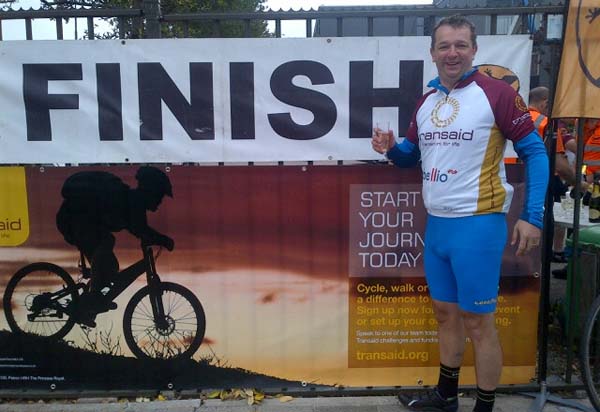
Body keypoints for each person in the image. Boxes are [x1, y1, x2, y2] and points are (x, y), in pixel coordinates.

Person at [371, 15, 548, 412]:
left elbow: (535, 153)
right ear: (432, 53)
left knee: (478, 323)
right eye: (444, 46)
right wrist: (391, 148)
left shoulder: (497, 94)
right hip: (438, 225)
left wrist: (532, 216)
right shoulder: (428, 101)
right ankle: (445, 396)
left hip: (478, 225)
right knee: (444, 314)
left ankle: (484, 406)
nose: (452, 53)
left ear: (474, 50)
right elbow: (411, 156)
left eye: (460, 45)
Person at [56, 166, 175, 325]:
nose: (160, 201)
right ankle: (93, 297)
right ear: (151, 190)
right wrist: (163, 240)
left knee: (110, 268)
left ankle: (85, 309)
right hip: (73, 220)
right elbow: (139, 228)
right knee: (106, 242)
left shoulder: (133, 201)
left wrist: (155, 238)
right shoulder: (133, 201)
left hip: (79, 222)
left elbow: (140, 229)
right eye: (160, 195)